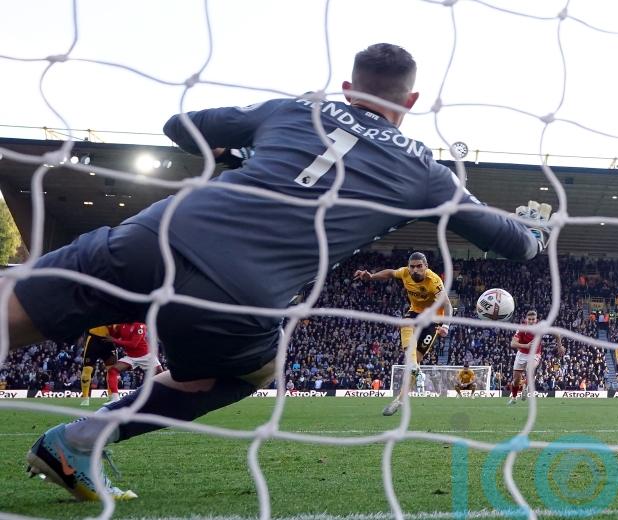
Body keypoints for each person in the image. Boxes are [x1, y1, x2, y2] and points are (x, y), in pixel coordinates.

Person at [6, 43, 548, 501]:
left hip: (157, 234)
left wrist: (241, 155)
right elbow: (512, 245)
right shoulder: (424, 171)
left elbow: (181, 126)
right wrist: (538, 231)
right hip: (237, 289)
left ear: (347, 86)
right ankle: (76, 442)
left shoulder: (295, 110)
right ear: (410, 101)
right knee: (249, 374)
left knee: (16, 314)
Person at [354, 252, 453, 415]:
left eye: (419, 266)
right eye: (412, 266)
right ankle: (414, 367)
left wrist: (446, 326)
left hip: (434, 319)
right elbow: (390, 273)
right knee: (406, 323)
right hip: (415, 312)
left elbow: (447, 304)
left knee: (417, 357)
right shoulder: (405, 273)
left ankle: (399, 399)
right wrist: (371, 276)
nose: (415, 270)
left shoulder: (434, 281)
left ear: (426, 266)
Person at [508, 310, 564, 405]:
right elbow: (512, 343)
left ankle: (526, 386)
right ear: (526, 320)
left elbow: (557, 334)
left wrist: (559, 346)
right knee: (516, 380)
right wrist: (526, 346)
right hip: (521, 354)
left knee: (530, 368)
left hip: (535, 354)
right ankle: (514, 398)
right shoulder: (522, 328)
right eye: (529, 319)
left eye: (533, 319)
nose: (531, 321)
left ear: (536, 320)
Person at [105, 322, 164, 403]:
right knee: (112, 371)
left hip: (145, 356)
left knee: (161, 375)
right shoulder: (122, 325)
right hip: (131, 357)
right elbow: (115, 335)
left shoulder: (139, 325)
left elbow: (134, 344)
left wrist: (115, 340)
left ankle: (168, 395)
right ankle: (115, 399)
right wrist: (110, 328)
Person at [77, 326, 118, 407]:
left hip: (108, 339)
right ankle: (85, 398)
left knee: (112, 370)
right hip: (93, 339)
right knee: (87, 369)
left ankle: (111, 396)